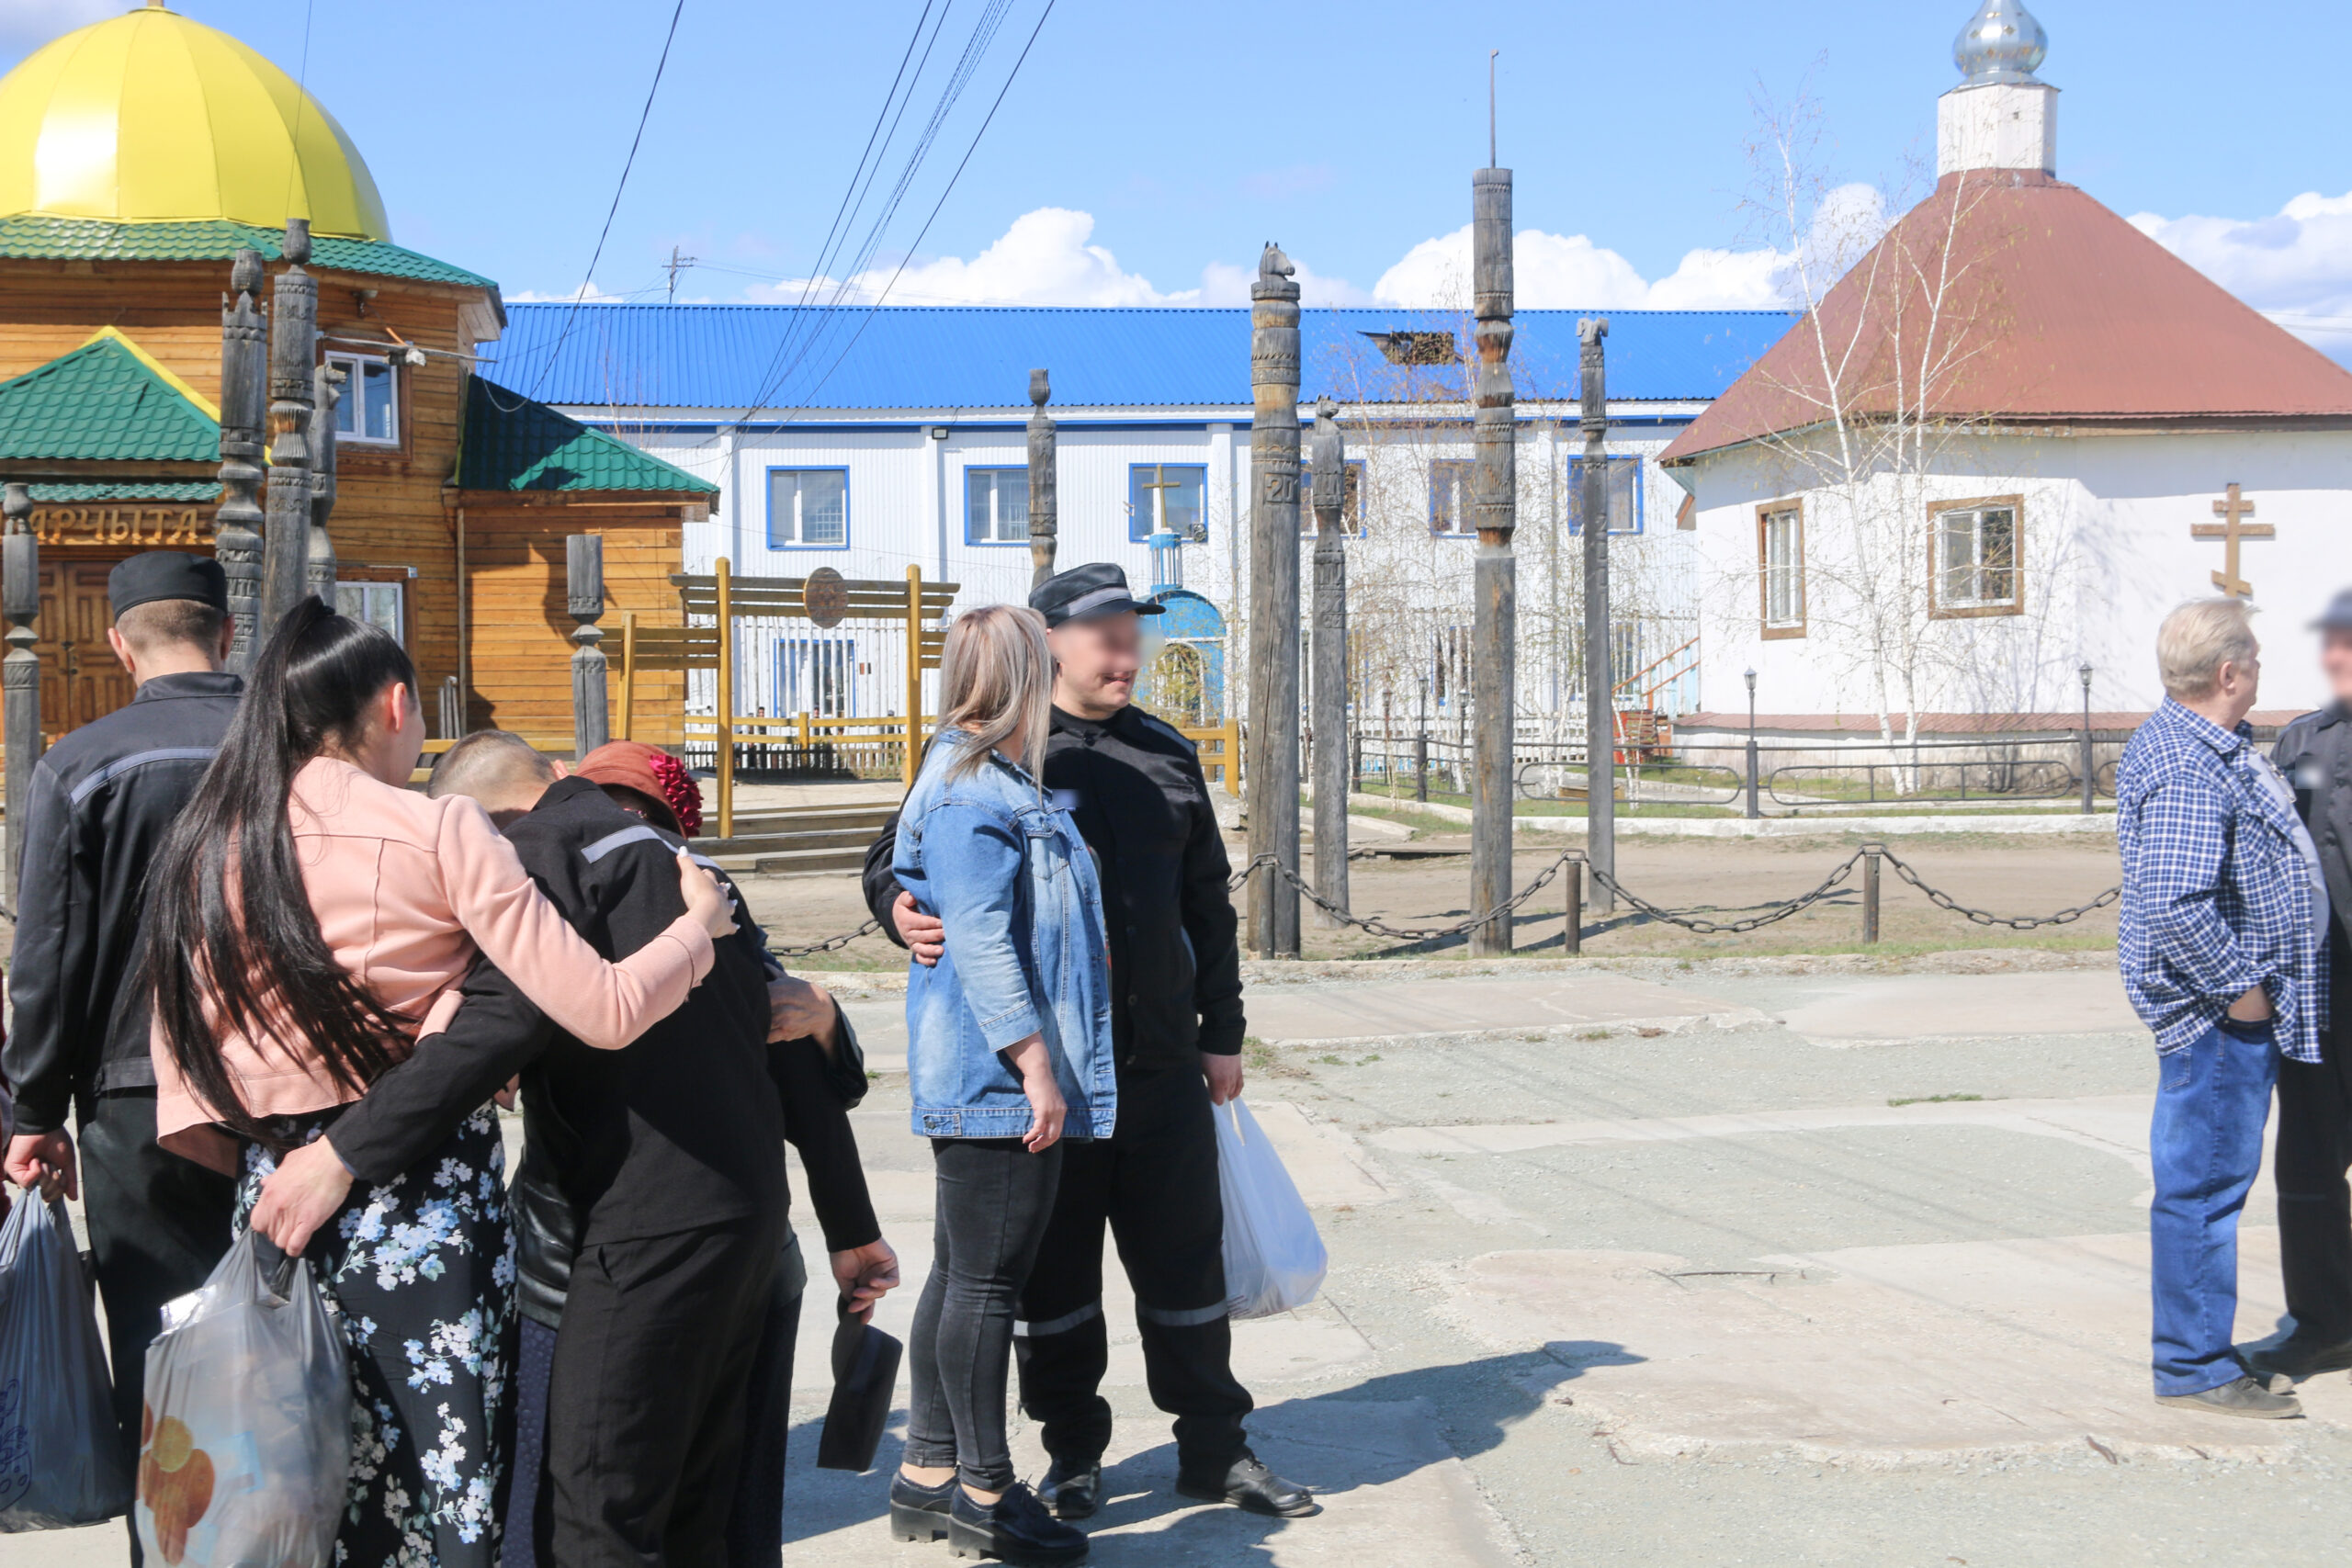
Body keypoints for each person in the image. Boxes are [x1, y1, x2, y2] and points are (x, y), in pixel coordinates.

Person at [142, 601, 735, 1568]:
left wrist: (276, 1156)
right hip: (425, 1204)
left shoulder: (207, 843)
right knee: (435, 1495)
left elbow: (183, 1081)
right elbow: (603, 1008)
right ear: (396, 705)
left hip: (274, 1199)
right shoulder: (439, 827)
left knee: (286, 1490)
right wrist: (695, 936)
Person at [252, 733, 897, 1568]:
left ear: (478, 825)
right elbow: (786, 1037)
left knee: (596, 1512)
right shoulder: (692, 869)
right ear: (558, 774)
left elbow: (499, 1024)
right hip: (747, 1230)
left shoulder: (533, 859)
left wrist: (340, 1155)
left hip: (644, 1231)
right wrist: (852, 1227)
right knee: (696, 1515)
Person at [865, 563, 1316, 1519]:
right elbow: (900, 854)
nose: (1127, 655)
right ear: (1050, 644)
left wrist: (1223, 1032)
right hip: (1055, 1074)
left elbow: (1207, 903)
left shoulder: (1165, 751)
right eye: (1106, 638)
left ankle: (1215, 1448)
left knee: (1185, 1268)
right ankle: (1073, 1452)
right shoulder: (1005, 753)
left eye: (1133, 636)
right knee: (1055, 1284)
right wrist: (896, 906)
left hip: (1161, 1062)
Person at [2, 552, 242, 1565]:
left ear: (118, 645)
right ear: (227, 633)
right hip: (297, 1104)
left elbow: (46, 956)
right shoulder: (295, 749)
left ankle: (177, 1551)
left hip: (134, 1103)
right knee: (298, 1338)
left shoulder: (82, 763)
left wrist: (31, 1112)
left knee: (158, 1349)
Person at [887, 604, 1114, 1566]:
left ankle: (927, 1471)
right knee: (985, 1285)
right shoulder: (973, 791)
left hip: (986, 1072)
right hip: (993, 1079)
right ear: (1027, 675)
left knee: (959, 1273)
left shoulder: (990, 778)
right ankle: (987, 1491)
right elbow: (981, 943)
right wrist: (1035, 1067)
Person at [2117, 595, 2324, 1418]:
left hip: (2223, 1013)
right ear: (2230, 672)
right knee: (2203, 1187)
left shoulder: (2204, 743)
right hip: (2214, 1020)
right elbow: (2174, 901)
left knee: (2206, 1183)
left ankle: (2200, 1347)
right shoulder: (2187, 763)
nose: (2262, 672)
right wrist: (2244, 995)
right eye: (2257, 661)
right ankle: (2195, 1364)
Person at [2251, 588, 2352, 1382]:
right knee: (2311, 1161)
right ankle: (2326, 1322)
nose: (2336, 657)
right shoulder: (2302, 740)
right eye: (2332, 642)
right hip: (2319, 988)